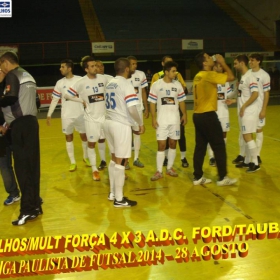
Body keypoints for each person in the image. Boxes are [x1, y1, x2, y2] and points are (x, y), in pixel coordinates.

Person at [0, 51, 42, 225]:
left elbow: (10, 97)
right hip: (32, 123)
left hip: (20, 126)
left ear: (5, 62)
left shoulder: (12, 75)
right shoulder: (28, 75)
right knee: (33, 167)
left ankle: (26, 210)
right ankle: (35, 206)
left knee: (22, 169)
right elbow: (38, 102)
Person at [103, 58, 145, 207]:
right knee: (122, 161)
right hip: (120, 125)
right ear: (127, 69)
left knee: (114, 159)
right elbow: (132, 108)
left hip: (108, 122)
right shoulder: (126, 84)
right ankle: (119, 199)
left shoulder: (110, 83)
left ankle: (112, 192)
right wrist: (139, 123)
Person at [192, 52, 237, 186]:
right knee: (219, 146)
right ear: (204, 63)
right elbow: (231, 76)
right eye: (208, 57)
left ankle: (197, 177)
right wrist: (222, 63)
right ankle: (222, 177)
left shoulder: (198, 76)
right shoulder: (208, 75)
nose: (211, 58)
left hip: (197, 115)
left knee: (200, 147)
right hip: (208, 115)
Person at [66, 56, 107, 181]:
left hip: (104, 117)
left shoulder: (103, 78)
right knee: (91, 143)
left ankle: (104, 161)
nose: (95, 68)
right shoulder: (81, 82)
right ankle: (94, 169)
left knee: (103, 140)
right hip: (91, 119)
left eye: (96, 65)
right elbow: (68, 95)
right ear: (86, 69)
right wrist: (81, 100)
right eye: (92, 66)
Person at [46, 59, 90, 171]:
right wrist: (49, 114)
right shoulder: (60, 83)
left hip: (80, 114)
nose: (60, 69)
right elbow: (55, 99)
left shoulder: (80, 80)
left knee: (84, 136)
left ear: (69, 68)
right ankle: (73, 162)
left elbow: (86, 95)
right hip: (66, 115)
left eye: (63, 67)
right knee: (68, 137)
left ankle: (86, 157)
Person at [149, 61, 187, 181]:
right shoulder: (156, 85)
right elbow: (152, 103)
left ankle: (170, 168)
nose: (175, 73)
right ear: (166, 72)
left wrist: (184, 114)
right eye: (173, 71)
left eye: (175, 71)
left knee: (173, 144)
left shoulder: (178, 85)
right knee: (161, 145)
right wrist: (153, 118)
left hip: (175, 120)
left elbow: (181, 101)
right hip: (162, 121)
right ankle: (159, 170)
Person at [226, 55, 260, 172]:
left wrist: (244, 106)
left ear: (241, 63)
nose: (234, 66)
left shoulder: (250, 77)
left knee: (247, 136)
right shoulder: (243, 77)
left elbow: (255, 94)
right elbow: (243, 96)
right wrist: (234, 101)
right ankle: (247, 161)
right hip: (243, 111)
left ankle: (255, 163)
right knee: (245, 137)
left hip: (248, 112)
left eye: (235, 63)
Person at [207, 62, 235, 166]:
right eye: (219, 66)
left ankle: (220, 155)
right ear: (213, 67)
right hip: (212, 111)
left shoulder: (225, 80)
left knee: (223, 134)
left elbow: (228, 95)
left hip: (223, 111)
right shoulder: (209, 79)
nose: (221, 67)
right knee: (212, 135)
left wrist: (235, 89)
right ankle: (211, 157)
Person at [0, 69, 20, 205]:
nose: (1, 72)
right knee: (4, 166)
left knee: (23, 164)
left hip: (16, 129)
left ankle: (31, 194)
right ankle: (13, 193)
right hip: (1, 135)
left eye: (1, 70)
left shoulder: (14, 84)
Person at [125, 56, 149, 169]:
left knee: (137, 133)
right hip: (125, 109)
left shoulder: (141, 74)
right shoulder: (123, 75)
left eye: (136, 63)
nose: (135, 66)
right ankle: (126, 160)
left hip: (138, 108)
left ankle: (136, 159)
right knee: (125, 134)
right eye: (132, 64)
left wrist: (146, 107)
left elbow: (143, 91)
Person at [248, 53, 270, 164]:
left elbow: (266, 93)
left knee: (258, 129)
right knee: (248, 131)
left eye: (252, 60)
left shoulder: (264, 75)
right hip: (249, 108)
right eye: (250, 60)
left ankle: (257, 154)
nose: (250, 62)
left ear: (258, 61)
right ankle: (250, 155)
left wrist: (264, 109)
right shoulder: (247, 74)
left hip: (259, 107)